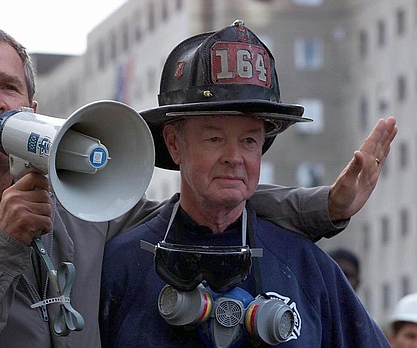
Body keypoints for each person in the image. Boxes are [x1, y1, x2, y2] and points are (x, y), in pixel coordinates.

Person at [0, 23, 393, 347]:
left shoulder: (81, 204)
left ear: (32, 109)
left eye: (10, 87)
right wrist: (2, 250)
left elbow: (198, 203)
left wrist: (324, 204)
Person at [100, 20, 392, 347]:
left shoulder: (308, 268)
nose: (234, 157)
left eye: (249, 141)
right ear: (174, 143)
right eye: (214, 138)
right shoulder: (120, 266)